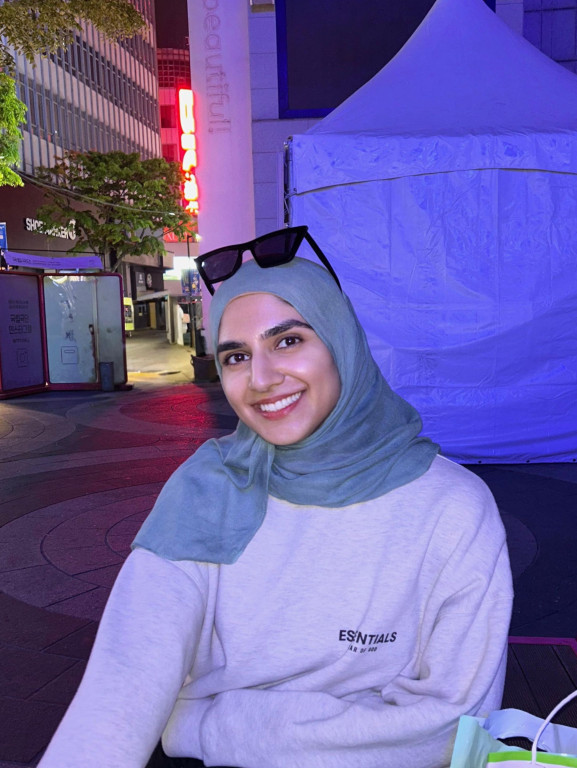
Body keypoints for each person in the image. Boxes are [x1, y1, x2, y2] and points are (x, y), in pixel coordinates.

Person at [38, 227, 513, 768]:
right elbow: (123, 679)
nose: (261, 379)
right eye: (236, 356)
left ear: (341, 343)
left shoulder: (451, 509)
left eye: (288, 341)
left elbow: (453, 727)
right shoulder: (210, 488)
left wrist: (201, 721)